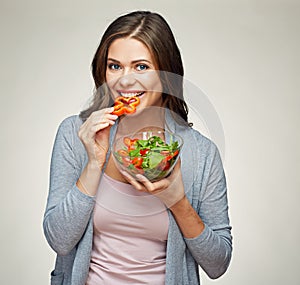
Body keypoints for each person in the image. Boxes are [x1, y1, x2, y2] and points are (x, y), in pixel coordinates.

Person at [43, 10, 232, 285]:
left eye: (141, 67)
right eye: (115, 66)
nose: (124, 81)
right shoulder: (76, 134)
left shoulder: (201, 154)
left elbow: (218, 264)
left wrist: (178, 203)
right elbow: (59, 240)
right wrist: (94, 164)